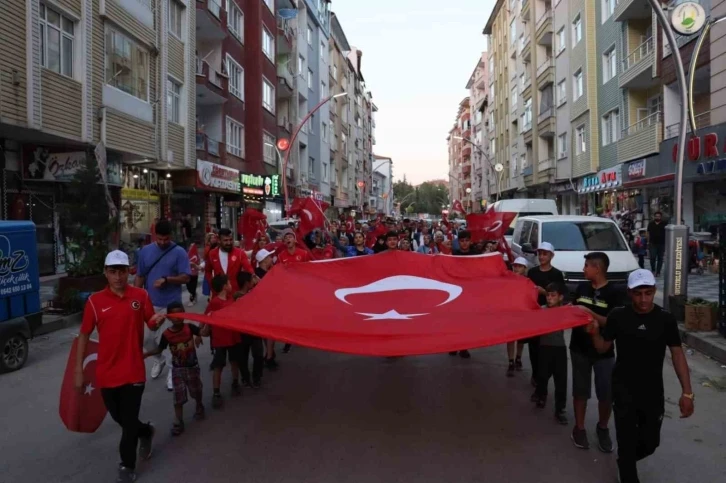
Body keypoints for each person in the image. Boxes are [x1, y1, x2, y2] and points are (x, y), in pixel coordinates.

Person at [587, 269, 694, 483]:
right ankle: (626, 466)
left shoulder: (665, 319)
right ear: (629, 292)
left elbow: (677, 354)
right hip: (623, 390)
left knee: (650, 443)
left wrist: (687, 393)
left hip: (653, 392)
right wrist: (594, 333)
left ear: (654, 291)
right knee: (626, 442)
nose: (643, 299)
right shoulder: (618, 316)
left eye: (648, 293)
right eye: (638, 293)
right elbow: (602, 348)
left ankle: (625, 461)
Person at [75, 250, 165, 483]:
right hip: (106, 372)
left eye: (122, 271)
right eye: (113, 271)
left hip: (133, 370)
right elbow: (84, 335)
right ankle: (145, 431)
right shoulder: (95, 302)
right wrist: (78, 371)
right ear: (106, 273)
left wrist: (157, 321)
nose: (118, 277)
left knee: (127, 423)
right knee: (122, 419)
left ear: (129, 271)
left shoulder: (141, 296)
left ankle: (126, 467)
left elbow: (151, 324)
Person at [571, 252, 625, 452]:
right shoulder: (582, 287)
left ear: (598, 268)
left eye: (587, 266)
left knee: (606, 393)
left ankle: (602, 428)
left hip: (604, 351)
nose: (583, 269)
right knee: (580, 390)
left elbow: (613, 322)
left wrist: (590, 314)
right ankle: (579, 427)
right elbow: (573, 309)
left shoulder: (614, 293)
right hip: (578, 348)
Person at [134, 219, 191, 391]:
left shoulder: (179, 252)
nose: (162, 242)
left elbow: (186, 277)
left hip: (171, 305)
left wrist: (168, 280)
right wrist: (134, 298)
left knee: (170, 339)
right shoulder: (145, 252)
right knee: (147, 339)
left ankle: (173, 373)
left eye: (165, 239)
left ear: (170, 236)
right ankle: (159, 359)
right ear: (154, 236)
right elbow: (140, 276)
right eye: (159, 239)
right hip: (150, 304)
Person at [144, 302, 206, 436]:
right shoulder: (166, 334)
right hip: (177, 370)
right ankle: (178, 421)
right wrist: (146, 354)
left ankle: (199, 405)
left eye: (180, 314)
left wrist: (209, 322)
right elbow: (159, 349)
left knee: (196, 391)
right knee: (178, 397)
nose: (177, 318)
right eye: (174, 315)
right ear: (169, 317)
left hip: (192, 368)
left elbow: (203, 333)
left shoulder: (190, 328)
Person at [525, 242, 565, 388]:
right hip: (535, 315)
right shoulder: (532, 272)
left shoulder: (556, 274)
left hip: (550, 318)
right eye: (540, 253)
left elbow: (561, 296)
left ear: (551, 256)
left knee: (547, 349)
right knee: (534, 347)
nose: (541, 256)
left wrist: (545, 293)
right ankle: (536, 375)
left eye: (545, 254)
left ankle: (544, 379)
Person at [203, 274, 242, 408]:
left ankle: (235, 383)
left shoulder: (231, 299)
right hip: (220, 339)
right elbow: (205, 317)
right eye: (229, 283)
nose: (231, 285)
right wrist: (199, 333)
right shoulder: (214, 303)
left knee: (234, 361)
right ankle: (216, 393)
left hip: (233, 336)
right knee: (218, 366)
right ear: (225, 287)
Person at [534, 283, 569, 425]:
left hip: (559, 349)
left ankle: (560, 409)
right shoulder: (541, 310)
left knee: (561, 381)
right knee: (542, 376)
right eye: (548, 295)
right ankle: (541, 395)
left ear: (560, 297)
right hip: (544, 348)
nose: (549, 298)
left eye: (553, 295)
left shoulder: (565, 311)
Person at [234, 271, 264, 389]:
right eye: (252, 280)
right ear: (247, 283)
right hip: (243, 331)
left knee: (257, 354)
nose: (254, 282)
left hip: (254, 330)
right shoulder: (238, 296)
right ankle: (246, 378)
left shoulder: (253, 293)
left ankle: (255, 377)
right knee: (243, 356)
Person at [205, 228, 254, 295]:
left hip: (235, 294)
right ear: (219, 240)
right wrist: (212, 285)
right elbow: (207, 271)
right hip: (218, 294)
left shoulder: (239, 253)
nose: (229, 243)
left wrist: (246, 287)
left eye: (230, 240)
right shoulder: (212, 254)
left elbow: (249, 269)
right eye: (225, 240)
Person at [253, 249, 279, 370]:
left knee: (269, 333)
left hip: (271, 305)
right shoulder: (256, 274)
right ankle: (269, 357)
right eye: (269, 257)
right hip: (262, 307)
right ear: (263, 260)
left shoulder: (270, 271)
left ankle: (269, 354)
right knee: (269, 333)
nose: (271, 258)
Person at [506, 257, 529, 376]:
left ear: (525, 269)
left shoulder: (528, 282)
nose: (516, 268)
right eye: (515, 265)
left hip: (523, 313)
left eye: (520, 266)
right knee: (510, 338)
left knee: (521, 338)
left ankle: (518, 358)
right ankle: (511, 362)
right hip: (511, 313)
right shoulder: (508, 280)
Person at [647, 211, 666, 276]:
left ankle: (658, 272)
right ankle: (653, 270)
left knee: (660, 258)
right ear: (654, 217)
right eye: (656, 216)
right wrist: (648, 242)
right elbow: (648, 233)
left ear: (661, 217)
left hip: (662, 243)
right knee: (652, 257)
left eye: (659, 216)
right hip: (652, 243)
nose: (657, 217)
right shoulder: (651, 224)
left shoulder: (664, 224)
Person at [186, 239, 202, 306]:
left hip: (194, 273)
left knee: (193, 286)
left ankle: (192, 299)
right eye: (190, 246)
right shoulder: (186, 254)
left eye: (192, 246)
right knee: (188, 286)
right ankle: (193, 294)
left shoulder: (197, 255)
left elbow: (199, 263)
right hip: (188, 273)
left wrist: (196, 266)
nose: (191, 247)